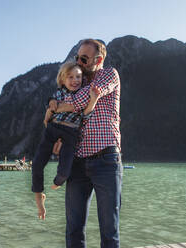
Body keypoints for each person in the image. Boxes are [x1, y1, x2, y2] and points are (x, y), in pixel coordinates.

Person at [51, 39, 122, 248]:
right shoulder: (75, 82)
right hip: (77, 163)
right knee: (73, 229)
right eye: (77, 57)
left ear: (98, 60)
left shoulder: (109, 74)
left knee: (109, 230)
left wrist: (58, 107)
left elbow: (83, 99)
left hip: (106, 160)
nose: (78, 62)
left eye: (84, 58)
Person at [31, 60, 101, 220]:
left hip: (71, 133)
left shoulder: (83, 93)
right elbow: (50, 102)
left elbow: (86, 115)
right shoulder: (58, 93)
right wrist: (50, 103)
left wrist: (93, 100)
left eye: (78, 76)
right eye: (70, 77)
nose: (75, 80)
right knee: (37, 164)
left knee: (65, 169)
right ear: (62, 79)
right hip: (53, 129)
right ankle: (39, 198)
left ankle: (59, 180)